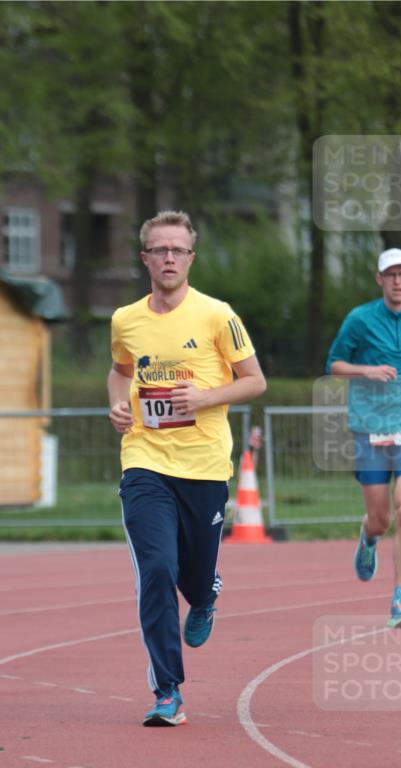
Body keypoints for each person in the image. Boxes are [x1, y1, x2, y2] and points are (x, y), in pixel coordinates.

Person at [108, 210, 266, 726]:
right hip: (144, 462)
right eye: (159, 249)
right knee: (156, 570)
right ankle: (167, 692)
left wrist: (203, 398)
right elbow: (119, 370)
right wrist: (117, 404)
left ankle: (205, 595)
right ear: (145, 258)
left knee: (194, 581)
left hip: (203, 467)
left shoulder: (218, 315)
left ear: (191, 258)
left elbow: (255, 381)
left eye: (178, 249)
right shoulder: (125, 319)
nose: (169, 257)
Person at [326, 248, 401, 628]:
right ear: (379, 280)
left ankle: (399, 602)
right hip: (370, 426)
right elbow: (333, 366)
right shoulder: (359, 319)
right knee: (381, 519)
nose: (397, 281)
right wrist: (366, 371)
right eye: (389, 274)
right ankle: (368, 535)